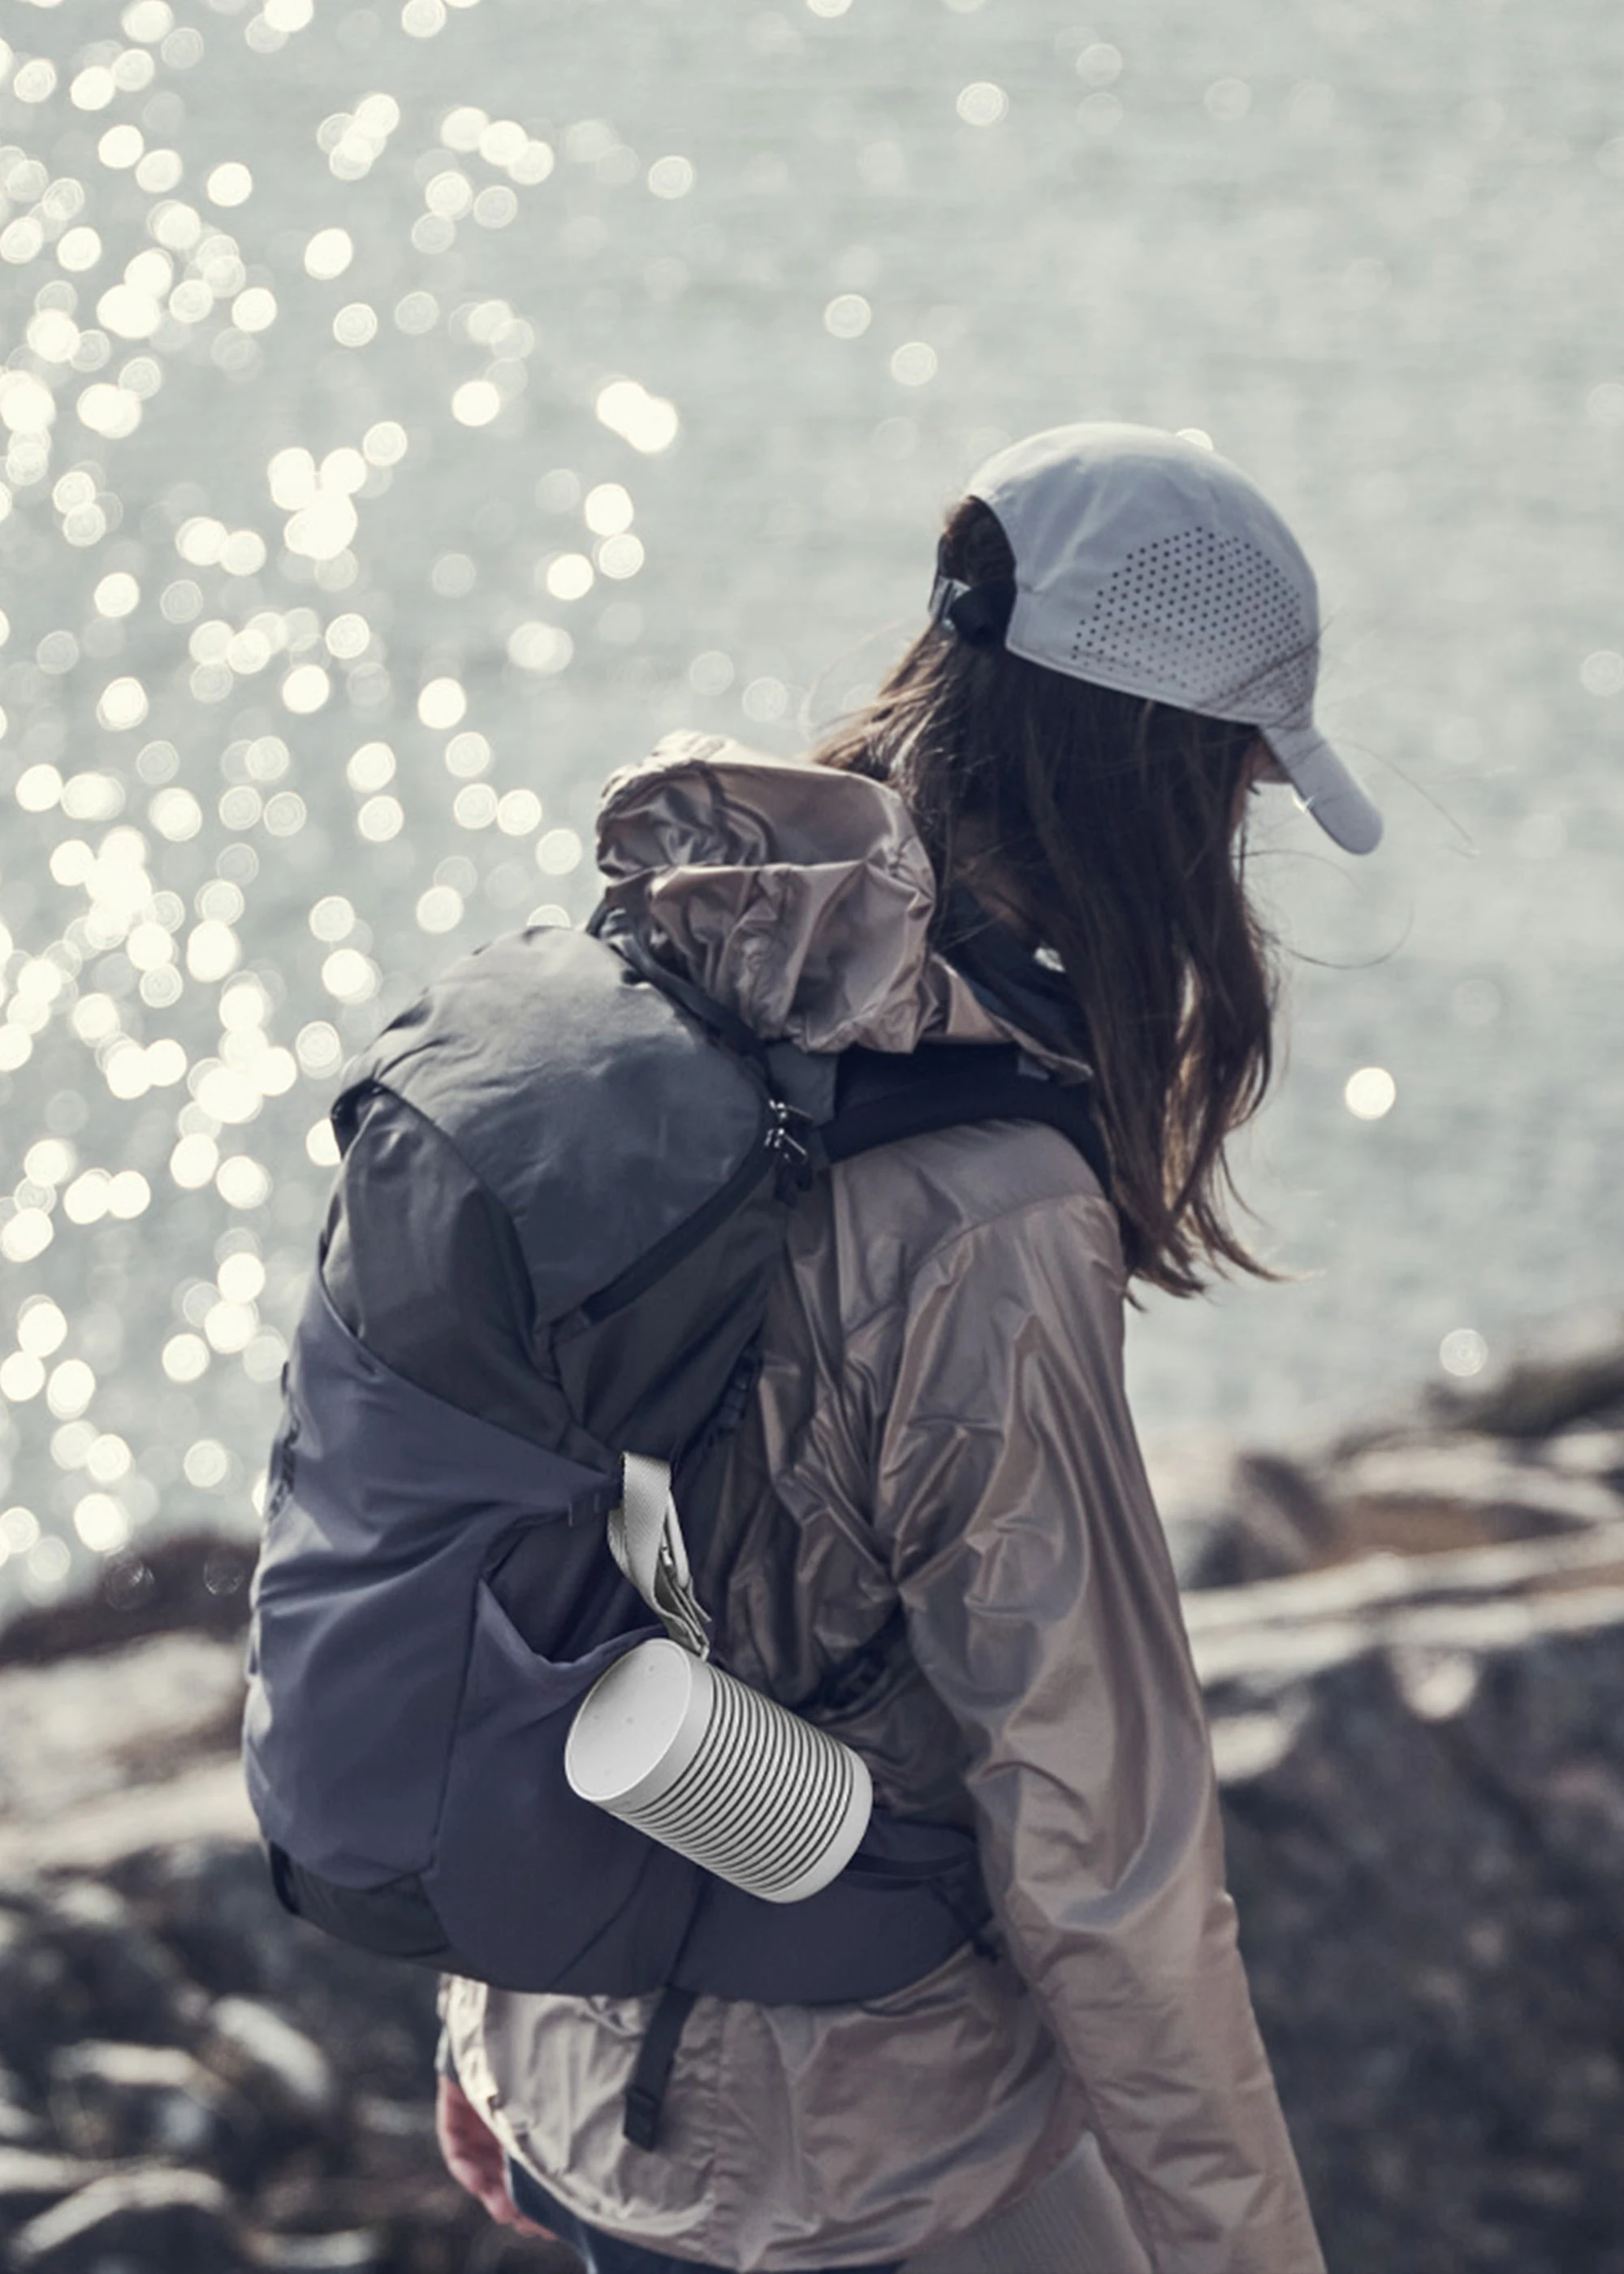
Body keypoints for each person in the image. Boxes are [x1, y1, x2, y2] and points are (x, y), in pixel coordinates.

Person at [434, 423, 1380, 2273]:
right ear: (1166, 791)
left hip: (577, 2044)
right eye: (1240, 797)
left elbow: (545, 1523)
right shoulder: (989, 1215)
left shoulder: (664, 970)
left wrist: (481, 2004)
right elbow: (1099, 1847)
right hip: (846, 2146)